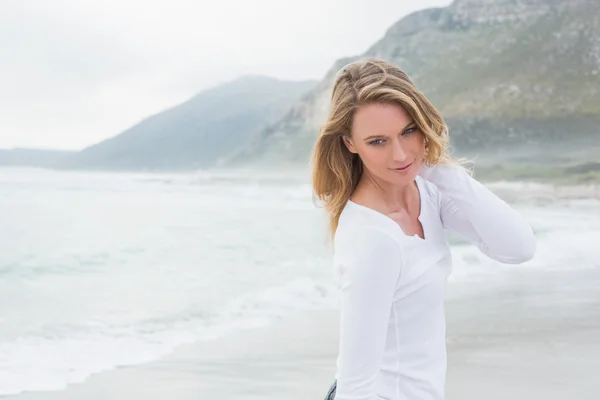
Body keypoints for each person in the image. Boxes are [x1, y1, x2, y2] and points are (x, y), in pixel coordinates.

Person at [310, 58, 536, 400]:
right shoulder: (374, 239)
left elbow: (517, 247)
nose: (400, 154)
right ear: (349, 143)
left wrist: (440, 171)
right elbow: (356, 382)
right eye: (377, 141)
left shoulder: (426, 192)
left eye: (408, 131)